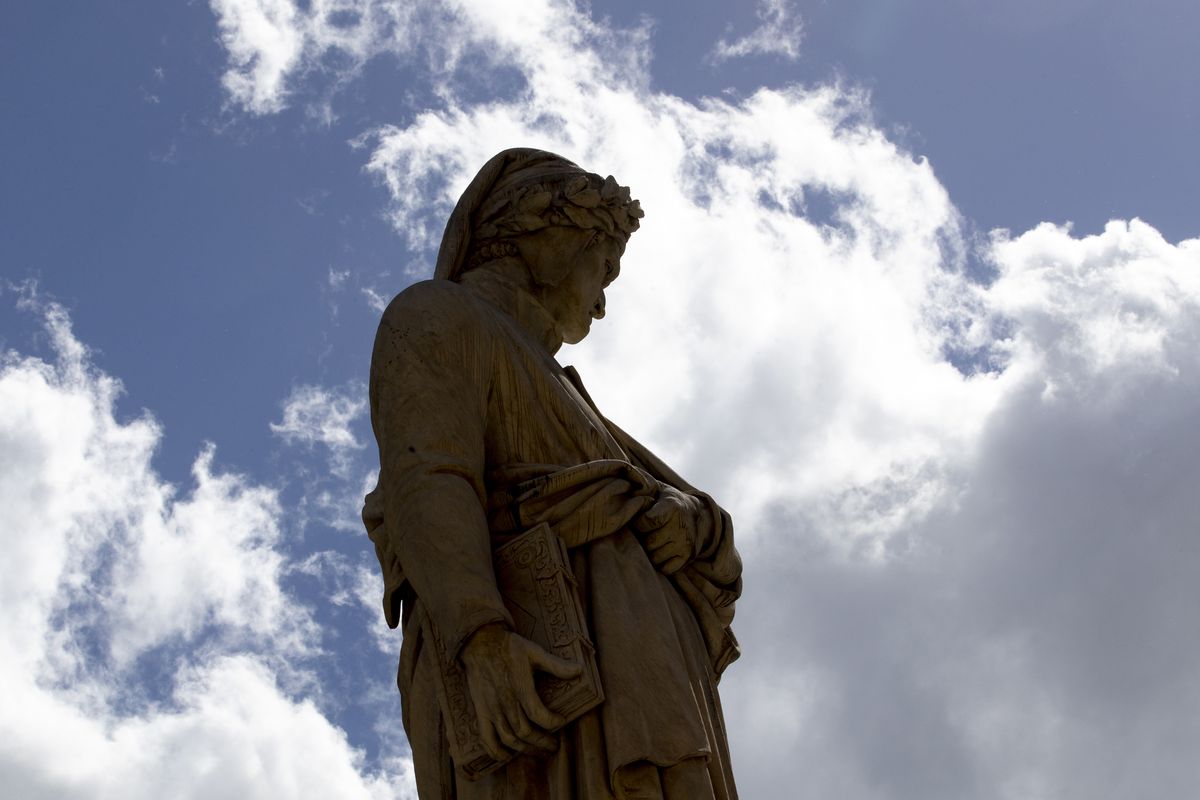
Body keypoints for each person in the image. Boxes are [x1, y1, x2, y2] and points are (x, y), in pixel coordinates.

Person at [363, 148, 742, 799]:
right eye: (605, 269)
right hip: (540, 682)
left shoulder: (565, 392)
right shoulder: (438, 316)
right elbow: (429, 477)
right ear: (554, 235)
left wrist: (687, 521)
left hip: (636, 688)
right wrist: (480, 635)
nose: (600, 307)